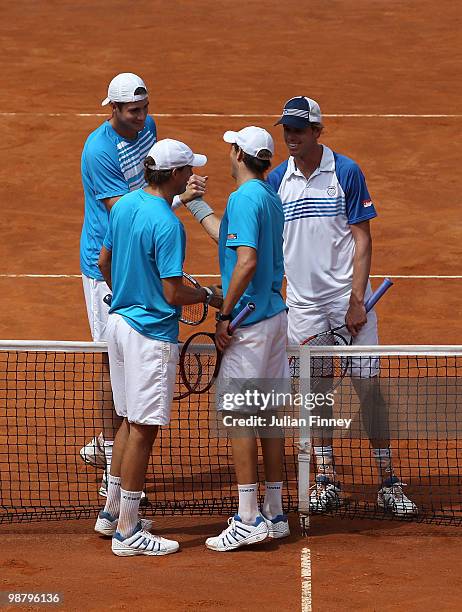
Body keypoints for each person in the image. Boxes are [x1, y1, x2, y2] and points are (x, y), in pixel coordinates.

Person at [268, 96, 417, 516]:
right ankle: (326, 477)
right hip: (303, 307)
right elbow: (273, 249)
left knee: (368, 390)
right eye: (287, 129)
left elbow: (362, 239)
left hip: (349, 304)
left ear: (318, 131)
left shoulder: (346, 172)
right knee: (316, 393)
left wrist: (356, 302)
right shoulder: (278, 179)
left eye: (299, 129)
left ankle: (388, 481)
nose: (291, 136)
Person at [95, 138, 222, 556]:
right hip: (150, 336)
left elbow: (103, 264)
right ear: (175, 174)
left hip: (118, 326)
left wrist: (129, 294)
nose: (191, 176)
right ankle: (128, 532)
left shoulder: (127, 204)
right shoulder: (169, 225)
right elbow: (172, 293)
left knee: (127, 421)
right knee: (144, 429)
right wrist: (206, 294)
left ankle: (111, 513)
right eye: (188, 170)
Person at [79, 73, 203, 496]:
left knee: (121, 352)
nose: (142, 117)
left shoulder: (146, 131)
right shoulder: (98, 151)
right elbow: (126, 214)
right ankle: (112, 451)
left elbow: (143, 202)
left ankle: (117, 456)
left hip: (135, 251)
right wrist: (183, 203)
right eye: (133, 111)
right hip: (106, 266)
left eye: (145, 108)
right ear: (112, 109)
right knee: (110, 360)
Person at [187, 126, 291, 551]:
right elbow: (235, 243)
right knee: (267, 416)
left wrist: (224, 313)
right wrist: (196, 207)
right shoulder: (267, 197)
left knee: (240, 418)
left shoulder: (244, 198)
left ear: (238, 154)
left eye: (231, 149)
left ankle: (248, 518)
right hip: (273, 319)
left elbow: (244, 262)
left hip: (247, 324)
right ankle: (275, 511)